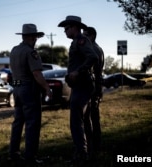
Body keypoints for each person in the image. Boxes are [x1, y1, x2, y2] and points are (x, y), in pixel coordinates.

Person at [8, 23, 52, 165]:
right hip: (29, 90)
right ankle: (30, 157)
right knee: (32, 124)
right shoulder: (31, 52)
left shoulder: (14, 50)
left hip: (17, 89)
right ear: (32, 37)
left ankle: (13, 153)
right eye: (36, 37)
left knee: (18, 123)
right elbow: (37, 74)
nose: (36, 40)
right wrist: (47, 88)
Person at [58, 16, 98, 163]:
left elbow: (93, 57)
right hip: (80, 86)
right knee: (85, 120)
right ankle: (89, 152)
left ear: (74, 27)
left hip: (83, 85)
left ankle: (81, 155)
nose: (65, 31)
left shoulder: (81, 40)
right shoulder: (76, 42)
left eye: (66, 28)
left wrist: (78, 71)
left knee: (76, 121)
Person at [83, 27, 105, 153]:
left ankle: (92, 147)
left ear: (92, 36)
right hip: (97, 86)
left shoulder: (93, 49)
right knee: (94, 118)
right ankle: (96, 146)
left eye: (85, 35)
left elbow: (94, 71)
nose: (83, 37)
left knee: (89, 118)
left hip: (93, 87)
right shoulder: (98, 48)